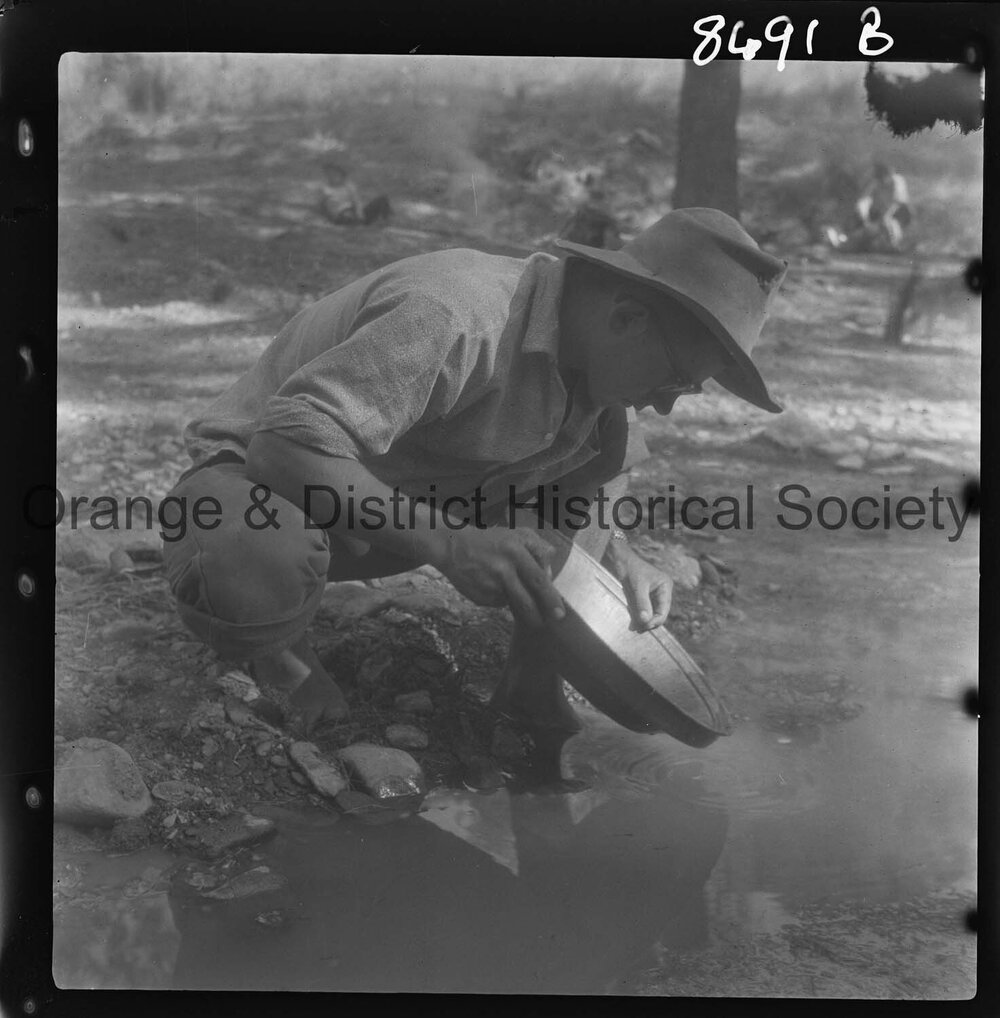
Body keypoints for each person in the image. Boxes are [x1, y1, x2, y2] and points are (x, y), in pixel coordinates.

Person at [162, 208, 786, 736]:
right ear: (626, 318)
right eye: (676, 380)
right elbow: (282, 449)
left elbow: (594, 488)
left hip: (389, 508)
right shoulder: (456, 315)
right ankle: (279, 652)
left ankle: (527, 685)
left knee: (585, 513)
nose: (667, 403)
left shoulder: (598, 370)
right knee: (251, 555)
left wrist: (618, 554)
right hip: (259, 481)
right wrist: (448, 541)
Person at [826, 161, 911, 252]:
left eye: (883, 178)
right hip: (879, 212)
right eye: (879, 179)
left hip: (899, 212)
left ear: (889, 174)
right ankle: (849, 242)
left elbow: (897, 202)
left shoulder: (897, 182)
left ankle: (895, 245)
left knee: (887, 221)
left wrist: (885, 216)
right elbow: (864, 199)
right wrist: (863, 215)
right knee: (861, 222)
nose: (881, 181)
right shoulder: (876, 182)